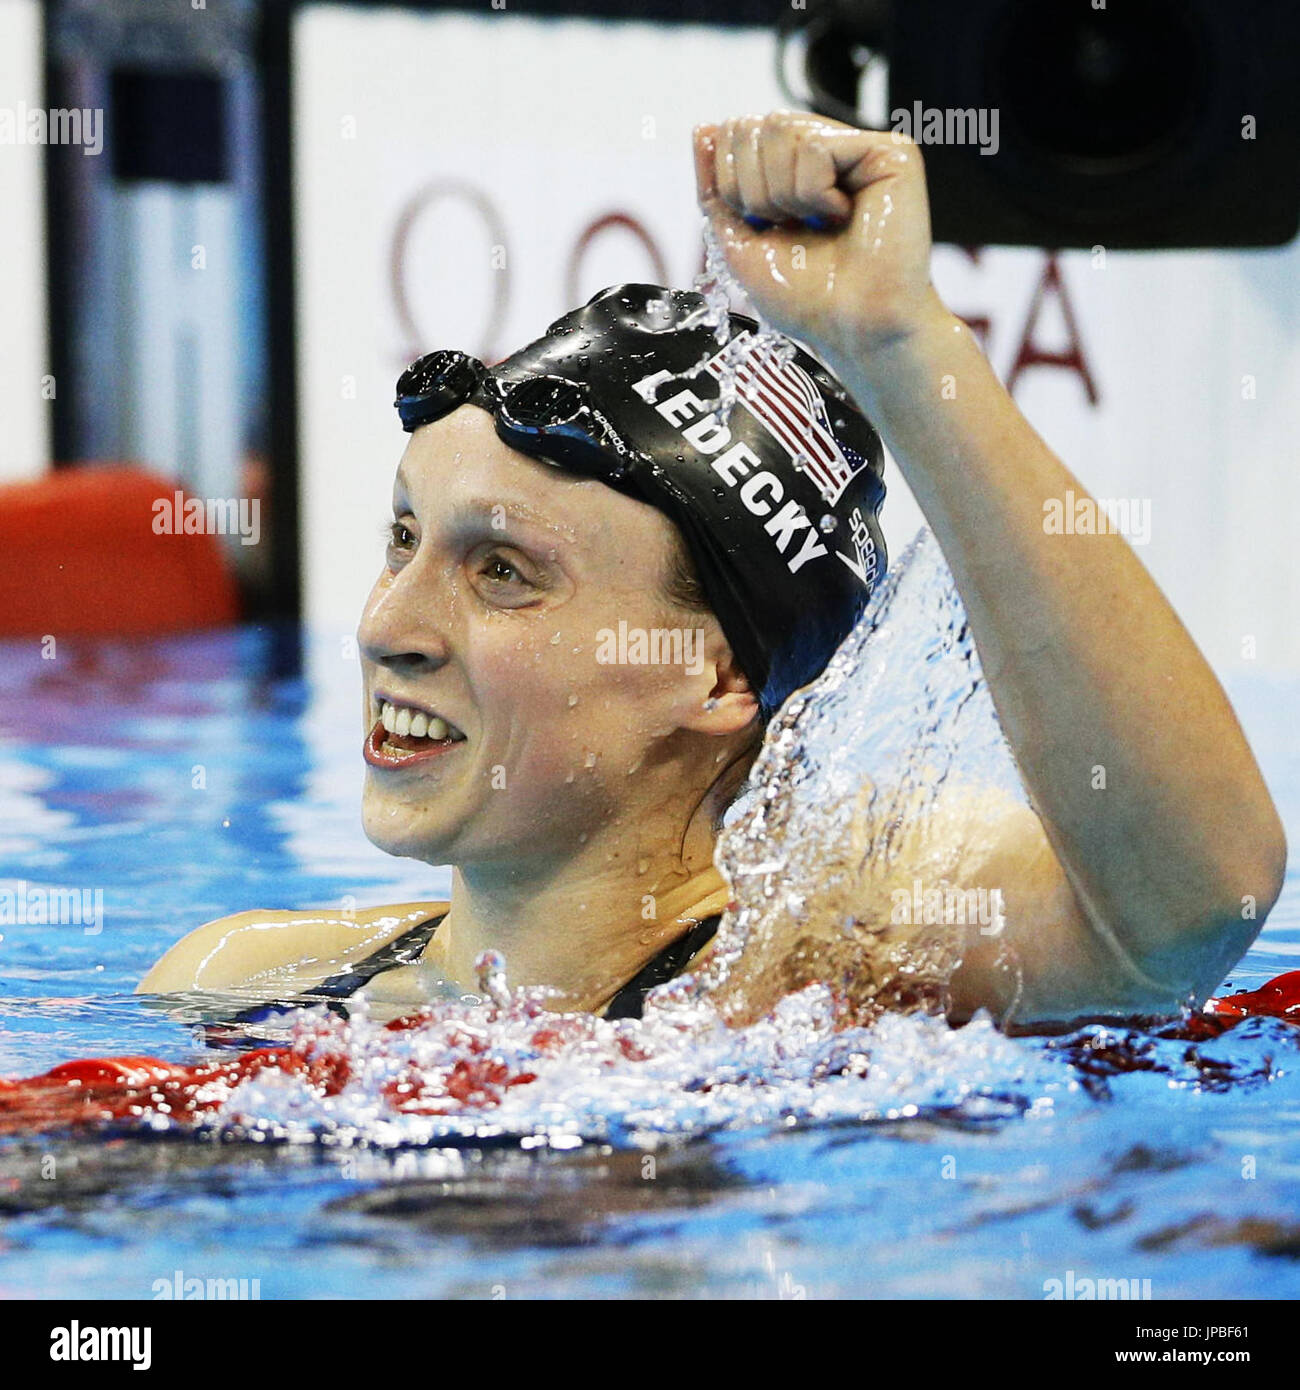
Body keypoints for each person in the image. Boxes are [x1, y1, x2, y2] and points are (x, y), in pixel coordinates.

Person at [139, 111, 1286, 1030]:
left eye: (501, 572)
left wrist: (903, 347)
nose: (389, 624)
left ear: (718, 676)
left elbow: (1195, 904)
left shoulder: (830, 977)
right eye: (404, 538)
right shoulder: (241, 981)